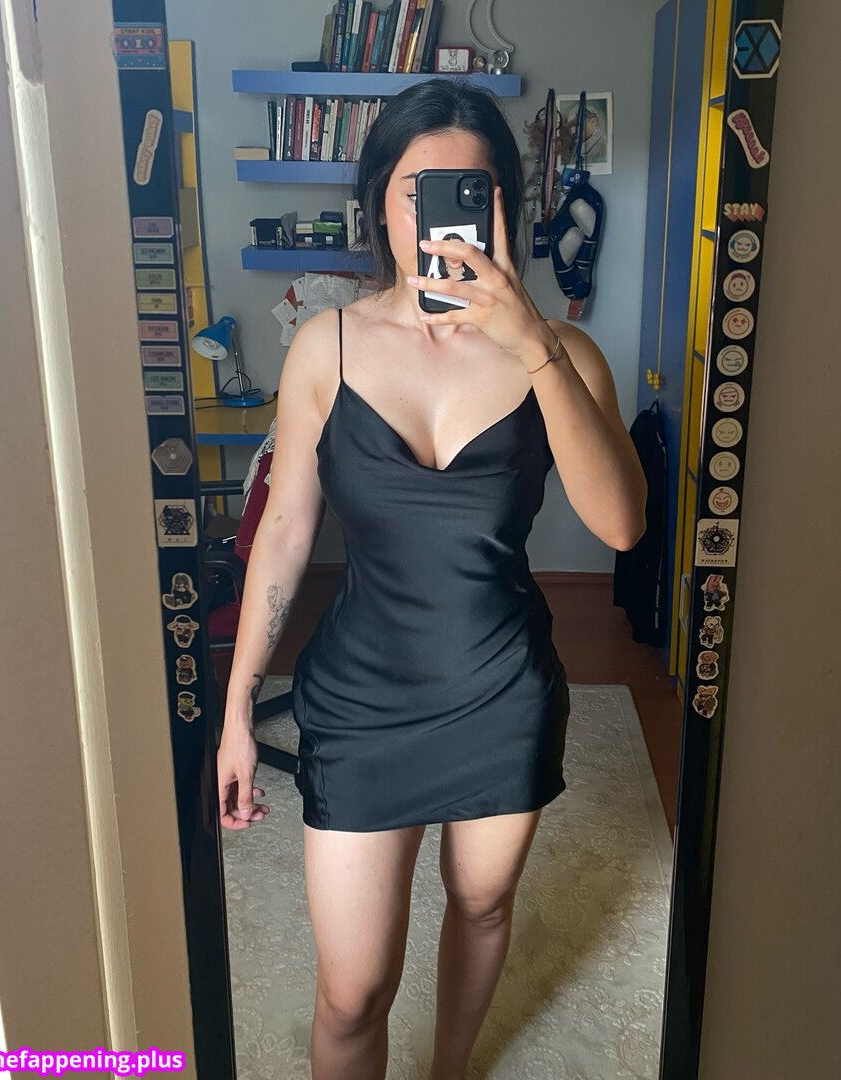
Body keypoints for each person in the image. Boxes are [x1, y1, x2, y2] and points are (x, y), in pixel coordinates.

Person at [217, 78, 647, 1080]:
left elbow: (622, 525)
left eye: (472, 190)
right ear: (381, 204)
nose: (442, 216)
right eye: (419, 191)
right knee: (351, 992)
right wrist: (239, 709)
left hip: (500, 690)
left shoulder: (563, 355)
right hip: (359, 700)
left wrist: (534, 348)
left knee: (482, 905)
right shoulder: (325, 346)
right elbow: (285, 531)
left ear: (504, 207)